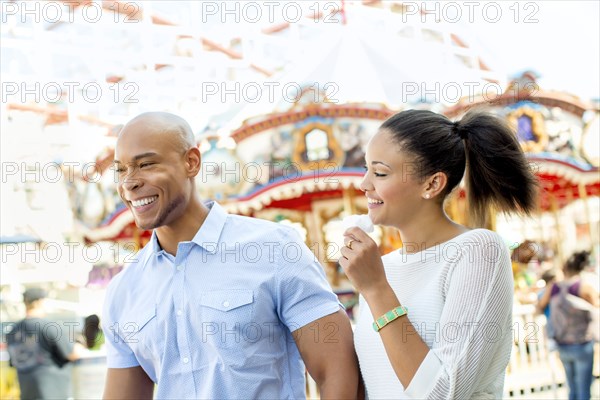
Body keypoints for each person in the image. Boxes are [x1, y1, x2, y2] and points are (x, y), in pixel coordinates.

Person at [102, 112, 359, 399]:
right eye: (121, 170)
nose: (129, 182)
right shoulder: (123, 291)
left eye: (146, 164)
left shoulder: (273, 249)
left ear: (191, 162)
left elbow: (338, 370)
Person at [339, 109, 538, 399]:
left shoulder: (477, 251)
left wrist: (376, 289)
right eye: (366, 169)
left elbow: (443, 393)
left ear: (432, 184)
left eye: (380, 172)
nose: (365, 184)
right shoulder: (382, 268)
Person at [537, 251, 599, 400]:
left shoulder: (554, 287)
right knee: (584, 388)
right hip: (582, 343)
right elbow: (596, 307)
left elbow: (539, 306)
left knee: (572, 388)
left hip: (562, 342)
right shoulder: (584, 287)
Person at [6, 287, 83, 400]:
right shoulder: (49, 326)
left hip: (27, 392)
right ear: (39, 302)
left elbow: (14, 362)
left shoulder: (12, 331)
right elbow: (73, 354)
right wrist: (80, 344)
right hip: (53, 392)